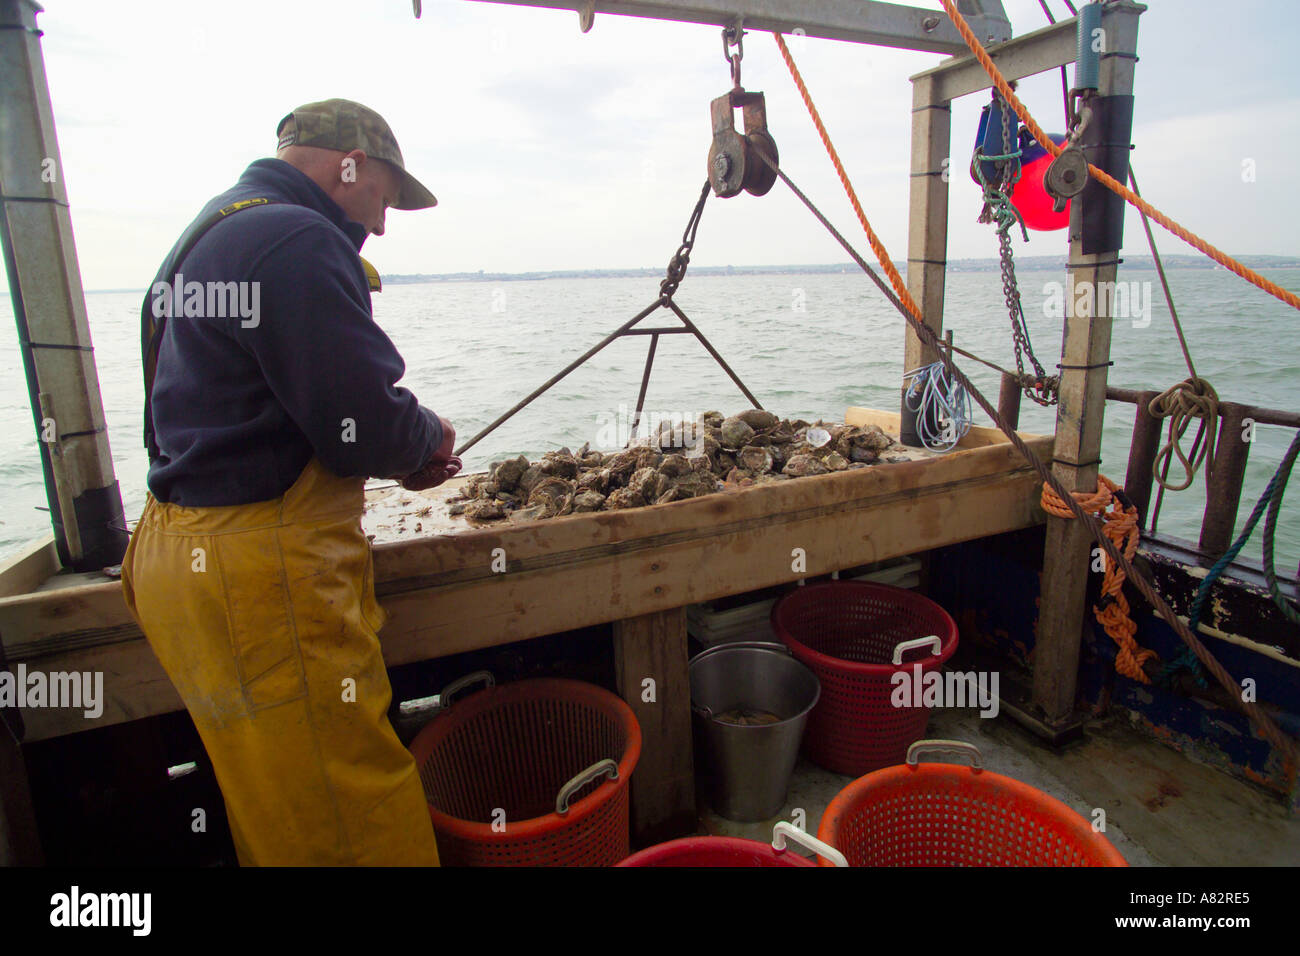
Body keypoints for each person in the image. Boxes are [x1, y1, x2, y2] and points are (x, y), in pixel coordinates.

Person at [121, 99, 457, 865]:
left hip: (179, 559)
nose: (380, 225)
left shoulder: (210, 230)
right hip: (258, 579)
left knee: (280, 814)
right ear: (352, 167)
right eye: (384, 200)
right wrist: (424, 439)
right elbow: (361, 425)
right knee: (355, 813)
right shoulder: (295, 239)